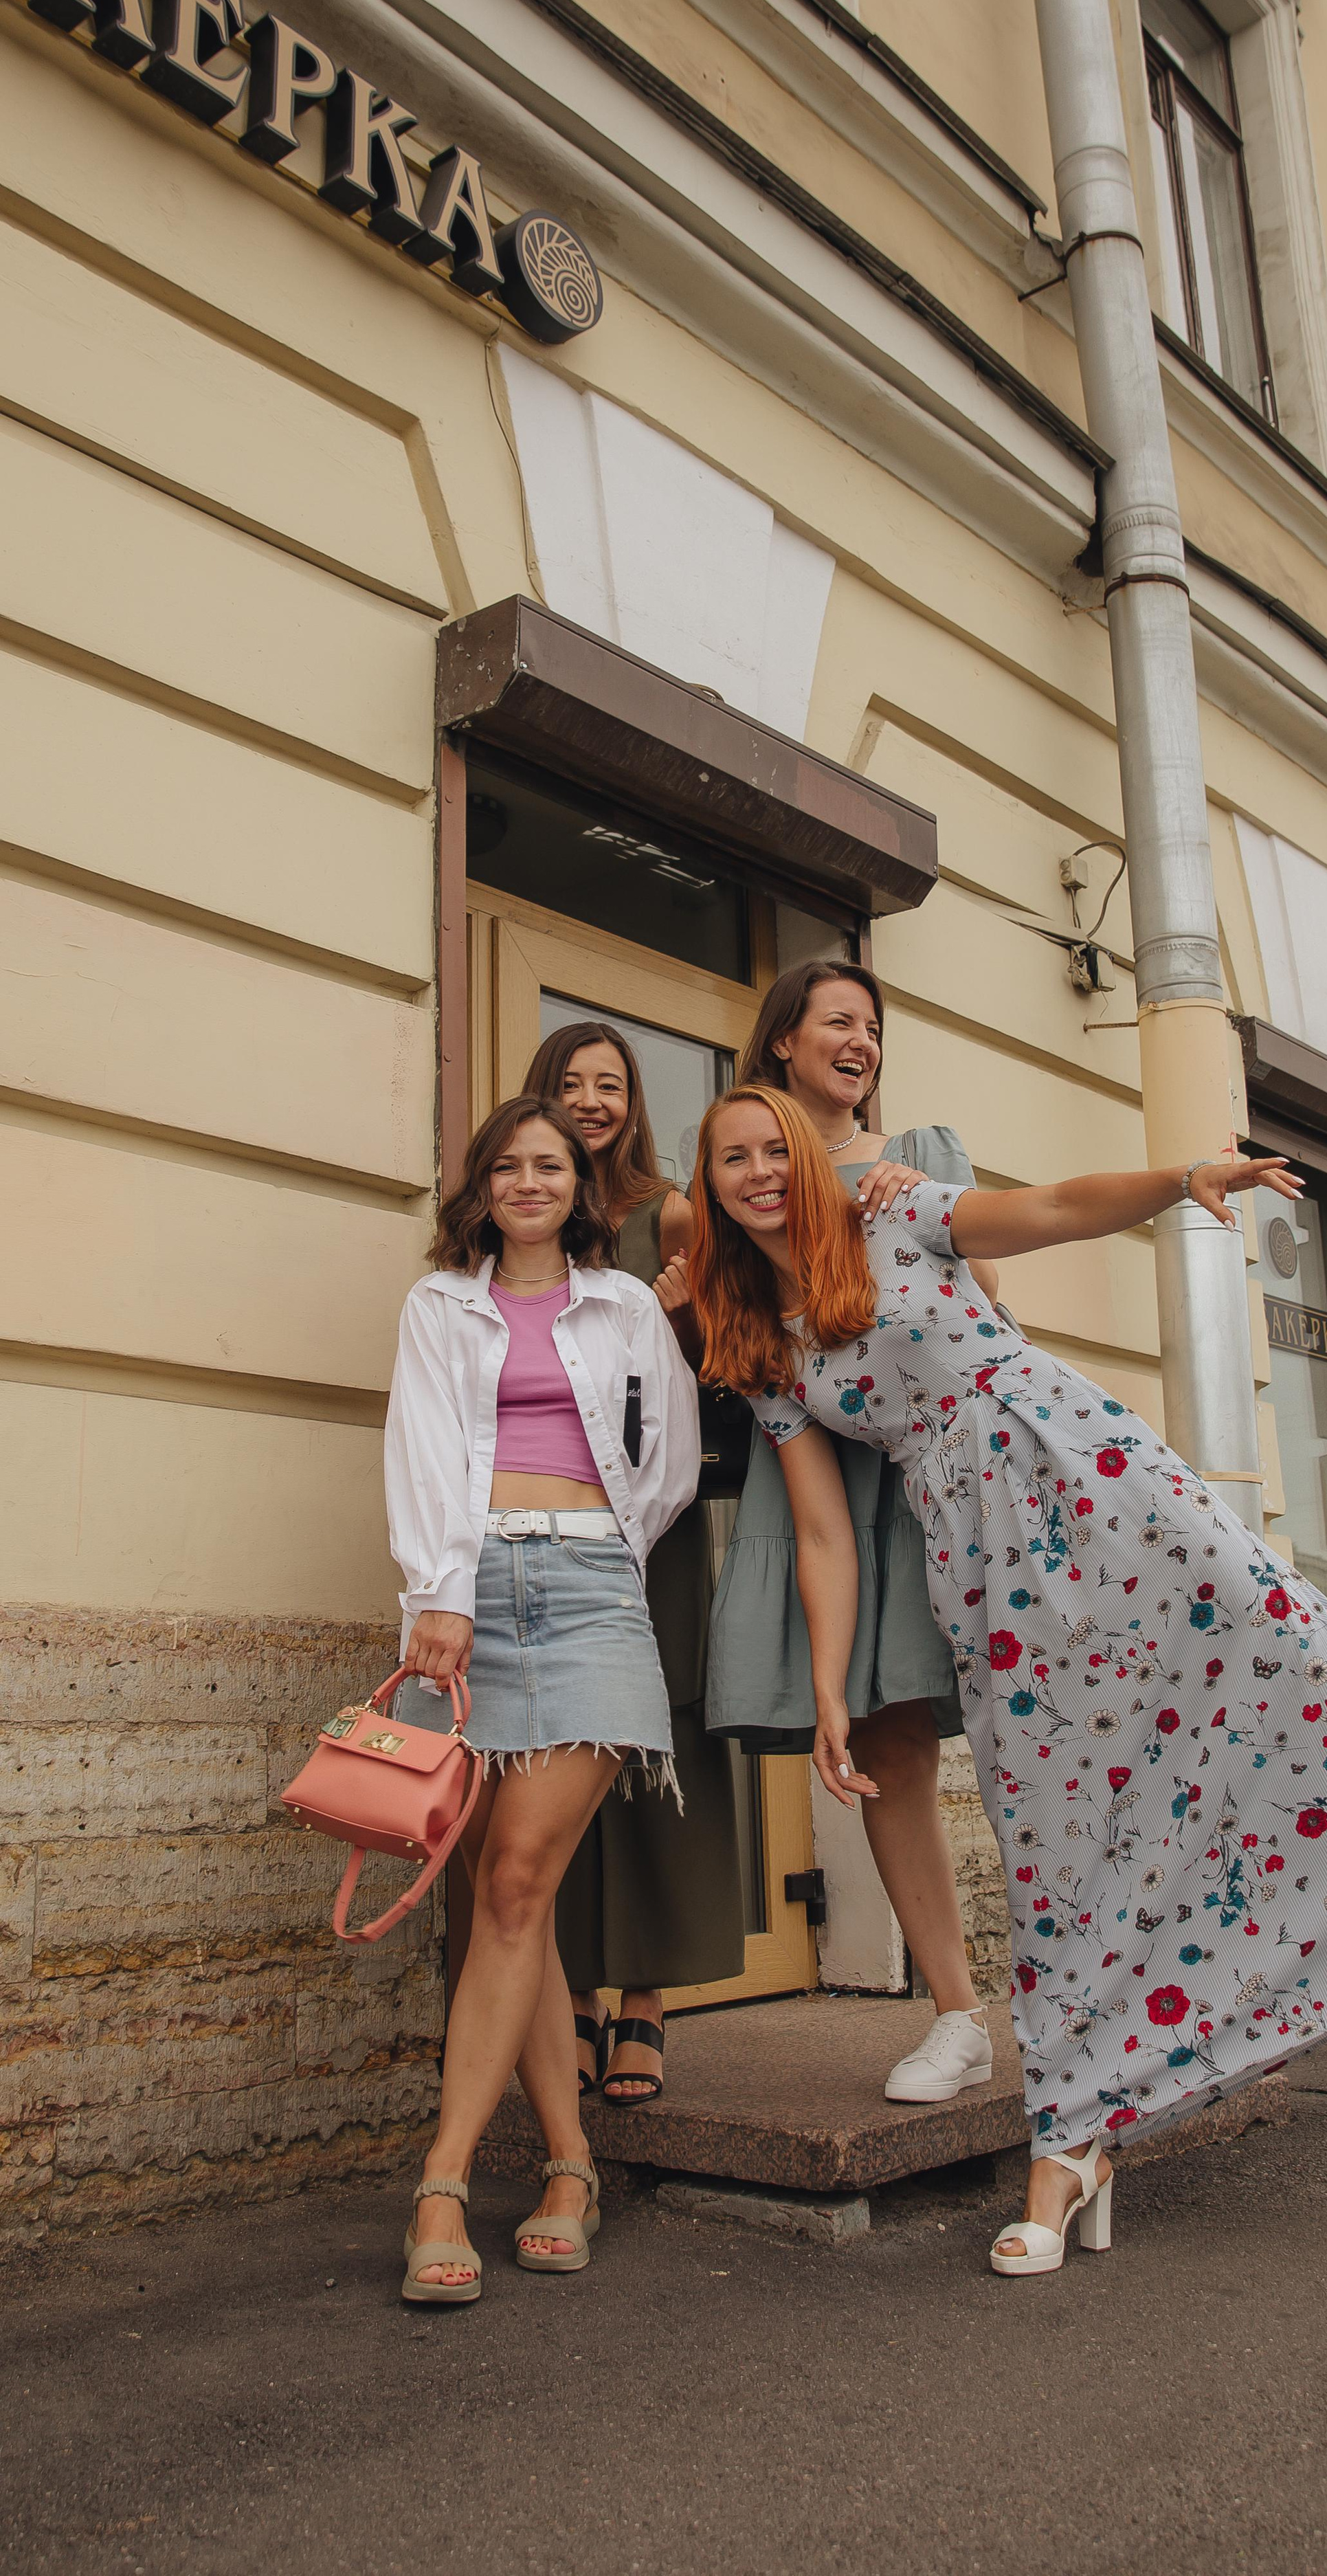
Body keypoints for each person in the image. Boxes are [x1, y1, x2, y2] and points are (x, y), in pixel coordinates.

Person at [676, 1083, 1327, 2280]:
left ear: (804, 1155)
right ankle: (1073, 2137)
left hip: (1086, 1468)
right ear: (713, 1188)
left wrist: (1179, 1184)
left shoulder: (899, 1217)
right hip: (984, 1561)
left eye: (769, 1149)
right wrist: (831, 1693)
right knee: (1049, 1825)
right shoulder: (767, 1346)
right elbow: (827, 1536)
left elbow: (1049, 1206)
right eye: (729, 1159)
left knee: (1311, 1657)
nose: (756, 1173)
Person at [384, 1095, 698, 2300]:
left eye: (551, 1166)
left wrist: (598, 1551)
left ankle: (444, 2181)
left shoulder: (623, 1308)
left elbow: (666, 1464)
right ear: (484, 1185)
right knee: (510, 1901)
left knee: (516, 1881)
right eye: (509, 1166)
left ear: (582, 1185)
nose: (530, 1182)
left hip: (588, 1598)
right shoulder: (440, 1305)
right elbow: (417, 1447)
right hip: (466, 1602)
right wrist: (438, 1595)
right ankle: (570, 2164)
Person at [706, 959, 1002, 2105]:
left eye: (872, 1028)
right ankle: (958, 2014)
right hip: (824, 1469)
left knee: (1041, 1727)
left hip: (944, 1463)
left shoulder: (920, 1161)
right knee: (890, 1754)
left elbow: (981, 1309)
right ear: (782, 1041)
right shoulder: (742, 1174)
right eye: (838, 1023)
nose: (861, 1042)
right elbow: (711, 1281)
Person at [522, 1020, 746, 2106]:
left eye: (612, 1084)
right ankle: (565, 1995)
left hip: (655, 1527)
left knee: (663, 1739)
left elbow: (740, 1356)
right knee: (553, 1737)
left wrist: (684, 1313)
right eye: (574, 1083)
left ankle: (649, 2001)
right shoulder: (523, 1212)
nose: (595, 1100)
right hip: (547, 1522)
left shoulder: (672, 1212)